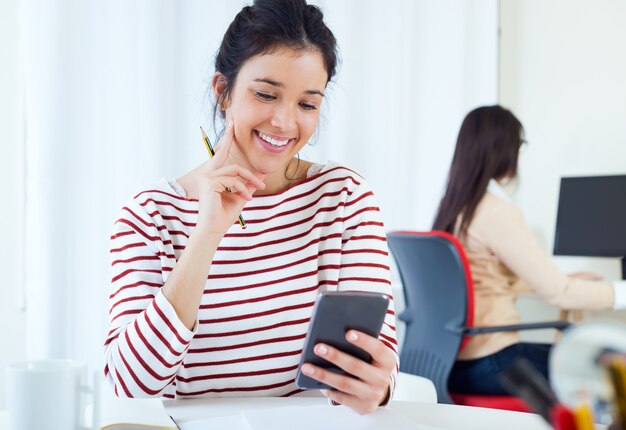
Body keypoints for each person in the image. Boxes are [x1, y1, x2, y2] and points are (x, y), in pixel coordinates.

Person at [104, 0, 397, 415]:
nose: (284, 122)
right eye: (265, 94)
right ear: (223, 91)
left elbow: (379, 360)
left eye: (307, 104)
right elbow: (130, 385)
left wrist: (377, 386)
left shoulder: (343, 198)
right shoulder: (149, 216)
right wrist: (206, 235)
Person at [432, 105, 626, 395]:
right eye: (519, 145)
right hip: (493, 363)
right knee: (611, 368)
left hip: (453, 362)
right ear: (503, 149)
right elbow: (558, 293)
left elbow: (484, 280)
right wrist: (619, 292)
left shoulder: (455, 207)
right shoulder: (495, 212)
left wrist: (567, 281)